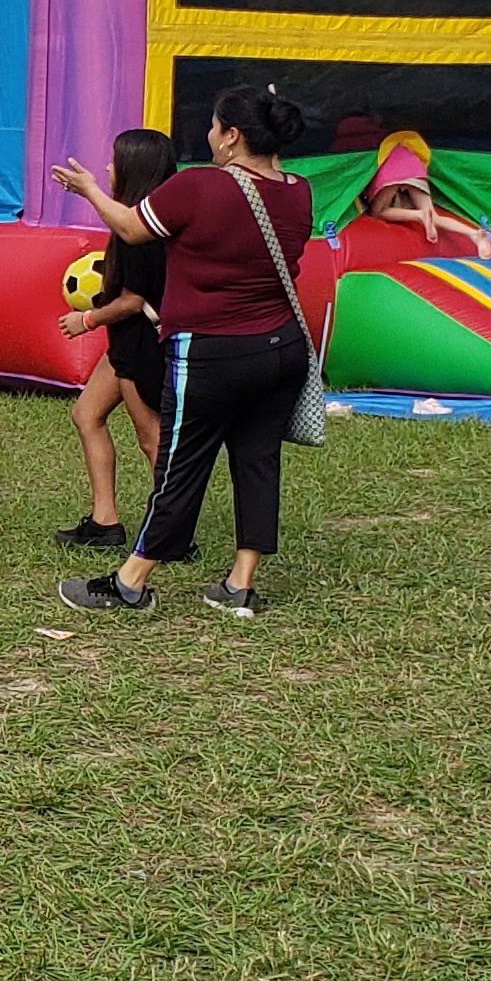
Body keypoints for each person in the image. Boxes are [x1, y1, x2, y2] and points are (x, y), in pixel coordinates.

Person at [49, 81, 317, 620]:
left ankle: (131, 581)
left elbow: (129, 225)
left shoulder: (199, 187)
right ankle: (239, 585)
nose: (210, 135)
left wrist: (87, 189)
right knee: (258, 462)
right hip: (281, 348)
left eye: (216, 126)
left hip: (213, 352)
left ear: (232, 136)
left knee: (179, 466)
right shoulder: (298, 191)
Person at [56, 125, 182, 556]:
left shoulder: (138, 231)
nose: (107, 167)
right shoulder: (146, 217)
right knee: (87, 414)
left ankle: (172, 534)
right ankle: (104, 521)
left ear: (132, 168)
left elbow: (134, 301)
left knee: (151, 438)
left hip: (141, 342)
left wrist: (87, 319)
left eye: (114, 160)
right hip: (126, 344)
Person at [358, 131, 491, 256]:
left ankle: (419, 215)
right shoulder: (408, 146)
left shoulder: (371, 141)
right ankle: (474, 234)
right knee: (434, 215)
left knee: (378, 211)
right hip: (415, 167)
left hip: (394, 167)